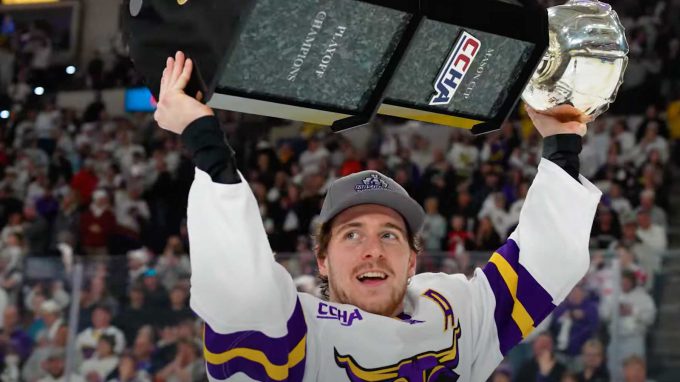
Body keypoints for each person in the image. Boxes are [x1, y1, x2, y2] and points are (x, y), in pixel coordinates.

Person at [154, 51, 601, 381]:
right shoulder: (298, 332)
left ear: (412, 261)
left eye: (390, 235)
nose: (373, 251)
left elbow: (544, 263)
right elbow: (242, 290)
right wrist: (204, 138)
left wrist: (561, 142)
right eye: (351, 235)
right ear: (322, 260)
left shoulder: (452, 314)